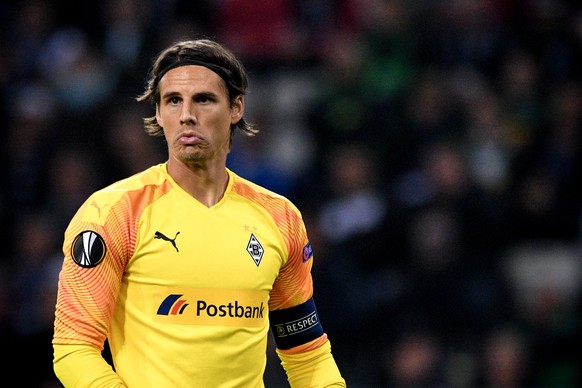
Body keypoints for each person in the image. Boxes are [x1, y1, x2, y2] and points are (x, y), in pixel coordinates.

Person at [52, 38, 346, 387]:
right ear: (159, 114)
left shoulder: (280, 218)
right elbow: (74, 349)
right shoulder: (112, 213)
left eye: (203, 99)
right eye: (173, 101)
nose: (187, 115)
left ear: (236, 107)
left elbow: (306, 353)